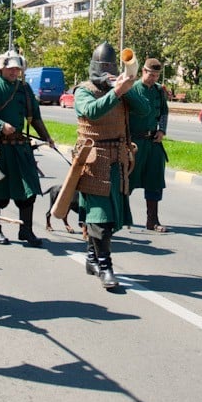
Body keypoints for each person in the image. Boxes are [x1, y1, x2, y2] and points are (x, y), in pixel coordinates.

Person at [74, 42, 149, 289]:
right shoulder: (83, 91)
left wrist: (127, 89)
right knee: (100, 217)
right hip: (94, 160)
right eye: (104, 66)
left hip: (118, 159)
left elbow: (145, 111)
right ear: (95, 66)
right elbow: (92, 112)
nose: (107, 71)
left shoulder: (121, 91)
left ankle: (91, 257)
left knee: (110, 216)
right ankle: (106, 267)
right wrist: (115, 92)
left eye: (111, 66)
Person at [0, 51, 54, 247]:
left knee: (29, 190)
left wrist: (47, 137)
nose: (14, 71)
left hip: (21, 148)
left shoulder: (25, 88)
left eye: (17, 68)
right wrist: (1, 125)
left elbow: (35, 116)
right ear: (1, 68)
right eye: (10, 68)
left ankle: (26, 230)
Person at [128, 57, 170, 232]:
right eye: (151, 75)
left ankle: (152, 220)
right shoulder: (132, 89)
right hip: (134, 142)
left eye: (157, 76)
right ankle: (121, 217)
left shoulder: (159, 91)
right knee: (127, 180)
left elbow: (164, 113)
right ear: (143, 71)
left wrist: (162, 130)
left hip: (153, 142)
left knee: (155, 180)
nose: (153, 79)